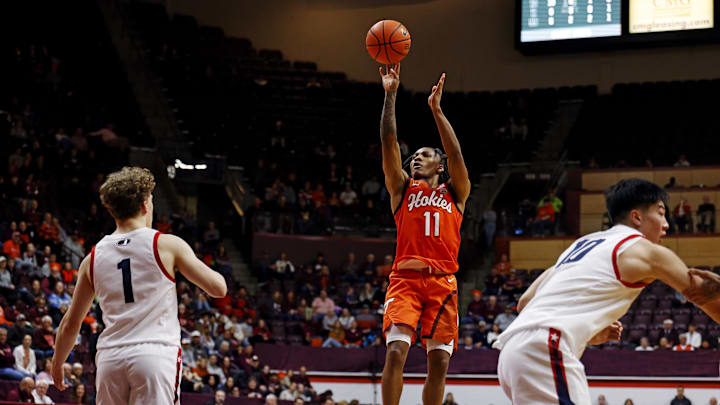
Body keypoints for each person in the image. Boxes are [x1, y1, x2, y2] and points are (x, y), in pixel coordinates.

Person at [494, 178, 720, 404]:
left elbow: (525, 302)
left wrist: (587, 330)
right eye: (661, 213)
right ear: (637, 217)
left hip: (512, 354)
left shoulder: (581, 244)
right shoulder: (647, 252)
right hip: (544, 349)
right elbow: (701, 293)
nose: (666, 224)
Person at [51, 167, 227, 404]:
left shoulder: (91, 259)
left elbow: (71, 323)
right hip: (154, 355)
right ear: (145, 204)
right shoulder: (166, 244)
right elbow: (219, 289)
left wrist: (57, 362)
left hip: (110, 359)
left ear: (112, 210)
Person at [378, 64, 471, 405]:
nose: (416, 158)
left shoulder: (456, 193)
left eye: (425, 155)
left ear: (440, 166)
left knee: (440, 362)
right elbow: (388, 141)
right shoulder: (402, 188)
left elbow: (457, 153)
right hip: (405, 280)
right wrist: (390, 94)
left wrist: (436, 110)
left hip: (443, 283)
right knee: (396, 352)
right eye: (414, 155)